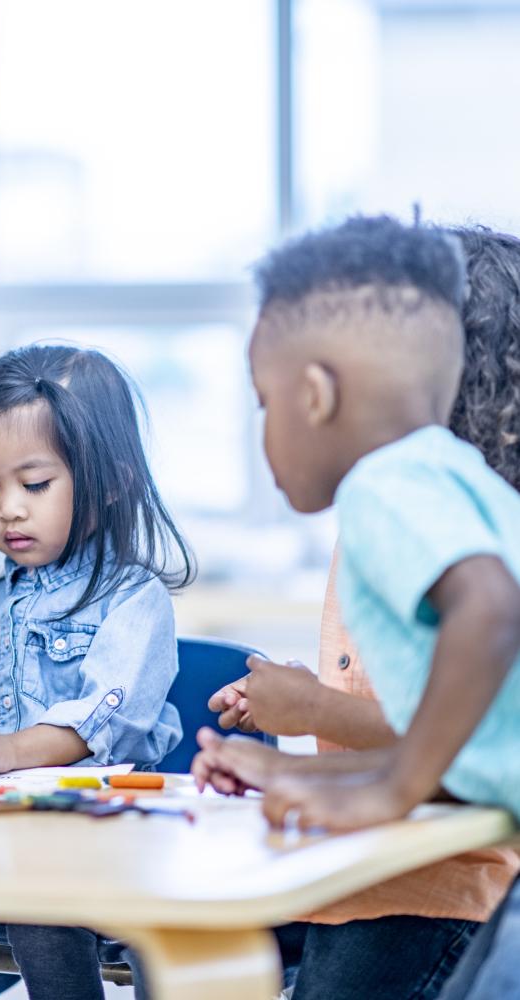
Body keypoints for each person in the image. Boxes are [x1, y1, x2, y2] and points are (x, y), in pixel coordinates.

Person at [195, 215, 520, 997]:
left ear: (314, 395)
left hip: (431, 897)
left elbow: (491, 608)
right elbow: (480, 751)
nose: (261, 435)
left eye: (262, 403)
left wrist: (389, 785)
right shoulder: (452, 481)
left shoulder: (386, 484)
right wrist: (298, 768)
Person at [0, 344, 196, 1000]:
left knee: (38, 895)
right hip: (0, 836)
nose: (7, 509)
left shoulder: (134, 599)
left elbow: (111, 717)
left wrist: (12, 750)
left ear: (110, 480)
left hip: (101, 840)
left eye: (33, 484)